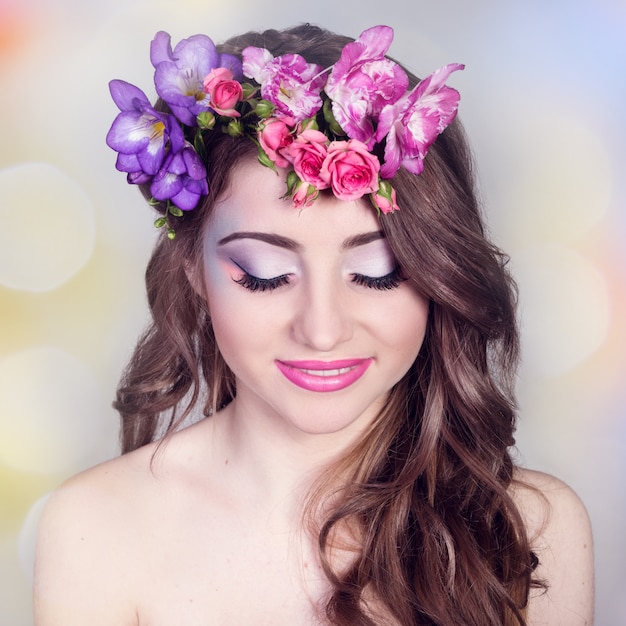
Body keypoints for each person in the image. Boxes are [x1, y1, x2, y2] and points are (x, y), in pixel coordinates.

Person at [33, 24, 594, 626]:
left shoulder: (533, 528)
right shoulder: (94, 529)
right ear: (195, 269)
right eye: (266, 273)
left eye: (379, 272)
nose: (322, 331)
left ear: (438, 275)